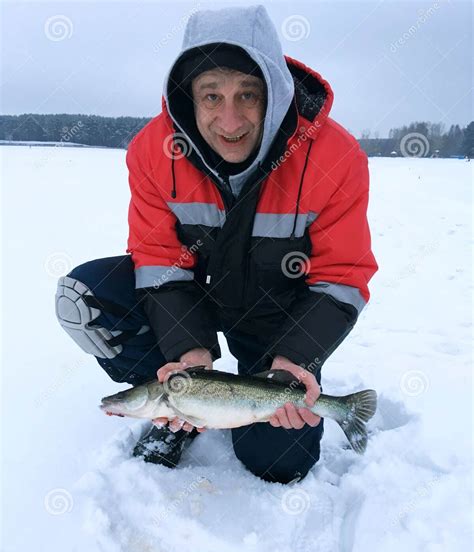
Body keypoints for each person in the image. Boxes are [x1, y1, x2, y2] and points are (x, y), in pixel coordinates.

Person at [55, 5, 378, 483]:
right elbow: (159, 262)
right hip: (194, 301)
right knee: (84, 297)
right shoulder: (154, 150)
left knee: (279, 461)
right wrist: (186, 349)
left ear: (275, 90)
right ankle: (179, 415)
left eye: (248, 94)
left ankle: (266, 391)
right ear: (190, 97)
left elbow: (342, 276)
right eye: (211, 96)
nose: (230, 120)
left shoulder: (334, 155)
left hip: (276, 316)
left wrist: (296, 357)